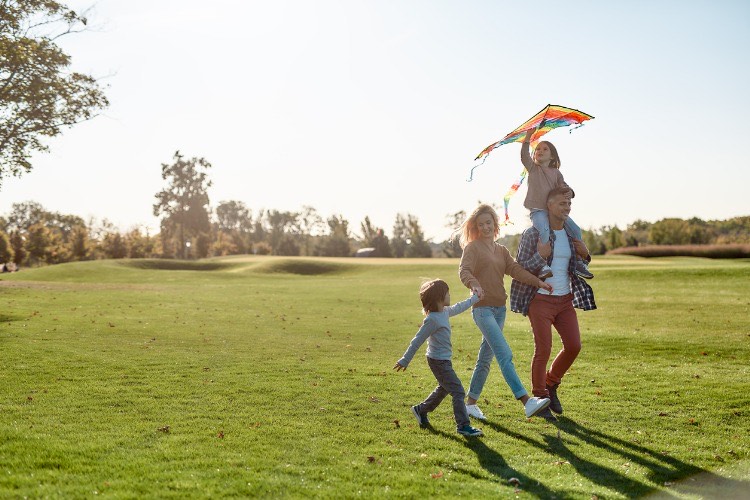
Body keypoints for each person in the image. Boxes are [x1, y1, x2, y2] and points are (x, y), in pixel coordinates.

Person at [457, 204, 553, 421]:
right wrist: (473, 284)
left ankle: (470, 404)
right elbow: (464, 271)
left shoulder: (501, 251)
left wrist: (538, 282)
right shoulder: (472, 248)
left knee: (485, 358)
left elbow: (516, 271)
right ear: (476, 227)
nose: (485, 227)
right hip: (482, 310)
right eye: (481, 224)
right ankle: (527, 402)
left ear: (495, 224)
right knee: (504, 354)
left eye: (488, 223)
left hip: (500, 310)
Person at [510, 186, 597, 421]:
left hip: (565, 300)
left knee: (574, 346)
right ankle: (539, 399)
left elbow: (578, 265)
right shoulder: (532, 234)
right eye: (562, 203)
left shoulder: (571, 236)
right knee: (543, 349)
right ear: (548, 205)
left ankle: (551, 384)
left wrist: (586, 255)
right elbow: (519, 268)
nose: (567, 207)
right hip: (539, 300)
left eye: (569, 204)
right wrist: (540, 255)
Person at [393, 279, 485, 437]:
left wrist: (474, 299)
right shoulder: (432, 319)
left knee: (444, 388)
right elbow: (417, 340)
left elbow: (459, 307)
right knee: (457, 390)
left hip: (444, 360)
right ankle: (463, 426)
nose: (450, 295)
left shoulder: (444, 311)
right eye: (447, 293)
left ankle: (421, 410)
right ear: (439, 297)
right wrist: (405, 359)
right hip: (437, 361)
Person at [521, 128, 593, 280]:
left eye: (545, 149)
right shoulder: (533, 169)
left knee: (575, 229)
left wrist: (570, 192)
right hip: (539, 211)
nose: (540, 151)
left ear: (552, 155)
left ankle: (579, 262)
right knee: (544, 231)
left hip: (554, 212)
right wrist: (528, 137)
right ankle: (542, 265)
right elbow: (524, 156)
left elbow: (564, 187)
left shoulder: (556, 173)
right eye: (538, 149)